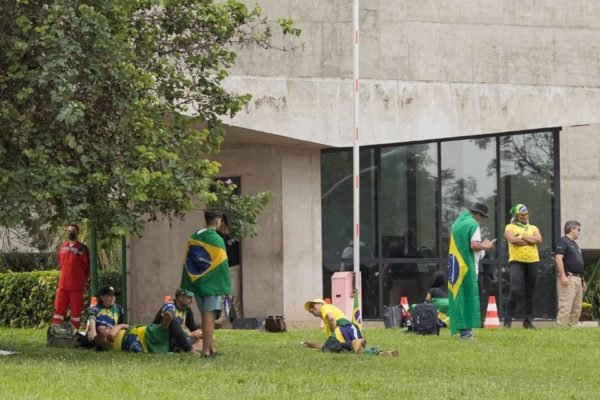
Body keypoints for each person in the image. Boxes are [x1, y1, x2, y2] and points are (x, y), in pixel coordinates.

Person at [180, 210, 232, 358]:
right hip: (212, 285)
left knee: (204, 316)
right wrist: (226, 286)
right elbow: (222, 265)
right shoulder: (216, 239)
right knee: (209, 317)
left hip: (198, 282)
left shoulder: (195, 235)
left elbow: (188, 260)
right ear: (218, 221)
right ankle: (206, 352)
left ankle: (212, 348)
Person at [447, 203, 495, 339]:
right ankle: (466, 334)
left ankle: (461, 330)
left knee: (459, 298)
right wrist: (486, 246)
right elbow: (474, 245)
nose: (482, 220)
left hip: (455, 267)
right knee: (469, 298)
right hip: (467, 266)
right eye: (483, 217)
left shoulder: (457, 223)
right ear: (478, 214)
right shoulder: (473, 224)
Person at [301, 298, 398, 357]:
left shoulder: (325, 307)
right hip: (351, 328)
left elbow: (331, 318)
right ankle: (382, 353)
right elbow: (329, 345)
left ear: (321, 304)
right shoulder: (327, 319)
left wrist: (334, 332)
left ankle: (353, 343)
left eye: (313, 306)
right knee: (352, 350)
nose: (312, 309)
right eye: (310, 310)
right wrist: (311, 345)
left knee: (331, 348)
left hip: (342, 327)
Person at [503, 204, 542, 329]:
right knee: (514, 290)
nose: (525, 217)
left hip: (533, 261)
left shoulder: (533, 227)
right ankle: (507, 321)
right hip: (517, 261)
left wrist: (523, 237)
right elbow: (512, 240)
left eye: (526, 214)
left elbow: (539, 239)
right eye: (522, 215)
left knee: (530, 291)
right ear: (516, 216)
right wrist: (530, 240)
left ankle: (527, 320)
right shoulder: (510, 226)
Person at [92, 311, 199, 354]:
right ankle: (166, 324)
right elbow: (112, 334)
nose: (108, 328)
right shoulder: (109, 338)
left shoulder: (111, 345)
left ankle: (195, 345)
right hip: (145, 336)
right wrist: (120, 325)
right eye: (106, 329)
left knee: (176, 341)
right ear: (102, 337)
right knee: (172, 323)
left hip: (149, 342)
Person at [51, 224, 90, 330]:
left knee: (76, 311)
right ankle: (55, 332)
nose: (70, 233)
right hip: (63, 285)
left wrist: (82, 282)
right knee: (58, 309)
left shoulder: (82, 249)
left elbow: (87, 268)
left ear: (78, 233)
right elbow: (61, 264)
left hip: (76, 286)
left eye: (73, 231)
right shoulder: (62, 247)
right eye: (69, 231)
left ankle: (73, 333)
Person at [555, 220, 586, 326]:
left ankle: (572, 329)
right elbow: (558, 259)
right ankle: (561, 328)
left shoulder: (575, 244)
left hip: (578, 278)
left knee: (577, 307)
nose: (579, 232)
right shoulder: (563, 241)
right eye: (578, 229)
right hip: (568, 278)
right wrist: (563, 275)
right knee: (566, 305)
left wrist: (582, 279)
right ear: (571, 229)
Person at [216, 215, 242, 324]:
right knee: (224, 294)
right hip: (223, 268)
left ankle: (240, 317)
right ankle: (224, 316)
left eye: (220, 221)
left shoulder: (232, 236)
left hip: (234, 267)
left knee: (235, 294)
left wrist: (228, 233)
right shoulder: (217, 236)